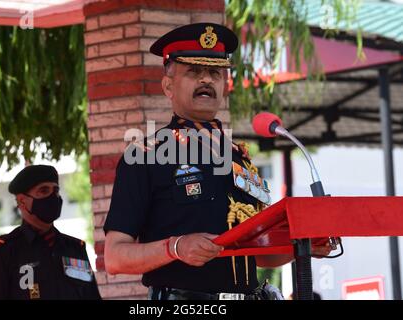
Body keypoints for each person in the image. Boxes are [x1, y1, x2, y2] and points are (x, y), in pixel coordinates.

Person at [103, 23, 331, 300]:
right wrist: (175, 247)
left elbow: (259, 254)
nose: (207, 80)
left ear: (225, 85)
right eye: (194, 72)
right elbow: (115, 257)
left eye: (214, 73)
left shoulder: (239, 158)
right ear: (168, 86)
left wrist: (302, 247)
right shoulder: (145, 156)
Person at [0, 165, 101, 300]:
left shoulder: (75, 248)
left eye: (56, 191)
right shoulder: (3, 252)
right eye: (44, 191)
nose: (53, 196)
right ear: (22, 201)